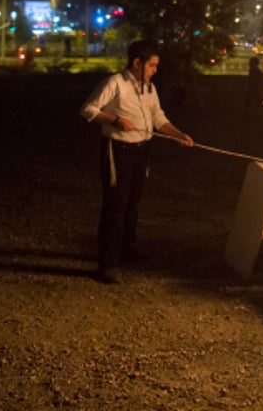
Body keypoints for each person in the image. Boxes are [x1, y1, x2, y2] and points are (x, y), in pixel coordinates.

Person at [79, 39, 193, 284]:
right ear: (137, 63)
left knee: (132, 203)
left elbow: (158, 118)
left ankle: (127, 251)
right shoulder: (114, 83)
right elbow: (88, 110)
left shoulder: (148, 87)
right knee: (116, 205)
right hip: (118, 149)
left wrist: (178, 135)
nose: (155, 70)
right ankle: (106, 263)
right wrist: (114, 120)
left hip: (142, 150)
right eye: (151, 65)